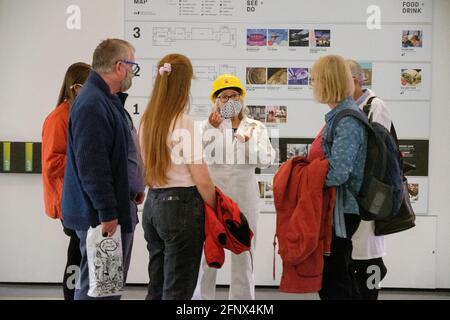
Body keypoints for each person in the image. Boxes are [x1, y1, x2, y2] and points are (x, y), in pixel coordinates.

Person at [61, 39, 143, 300]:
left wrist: (132, 186)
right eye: (133, 66)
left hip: (112, 211)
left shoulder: (104, 100)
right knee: (100, 291)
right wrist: (108, 213)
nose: (133, 72)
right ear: (120, 66)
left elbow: (114, 156)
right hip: (103, 218)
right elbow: (93, 167)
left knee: (105, 288)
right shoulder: (93, 104)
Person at [139, 53, 216, 300]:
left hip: (153, 207)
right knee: (178, 290)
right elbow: (201, 177)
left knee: (158, 285)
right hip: (181, 209)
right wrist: (217, 209)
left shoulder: (146, 121)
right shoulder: (184, 123)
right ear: (185, 85)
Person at [193, 74, 276, 300]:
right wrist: (210, 129)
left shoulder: (256, 127)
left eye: (234, 96)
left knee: (244, 255)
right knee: (207, 254)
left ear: (242, 99)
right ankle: (201, 301)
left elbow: (267, 160)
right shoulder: (205, 126)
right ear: (215, 101)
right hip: (213, 199)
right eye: (223, 96)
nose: (229, 100)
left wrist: (247, 143)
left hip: (244, 199)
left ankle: (242, 302)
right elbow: (194, 155)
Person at [309, 55, 368, 300]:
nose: (312, 84)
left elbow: (339, 172)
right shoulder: (341, 115)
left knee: (335, 280)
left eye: (315, 79)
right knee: (337, 275)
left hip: (341, 212)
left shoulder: (346, 120)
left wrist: (307, 180)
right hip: (336, 210)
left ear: (326, 82)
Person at [41, 62, 90, 300]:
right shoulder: (58, 118)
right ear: (76, 88)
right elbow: (52, 164)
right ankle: (71, 296)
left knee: (79, 253)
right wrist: (84, 163)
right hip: (68, 200)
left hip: (77, 198)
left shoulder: (77, 113)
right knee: (77, 254)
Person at [347, 59, 389, 300]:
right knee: (353, 264)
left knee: (370, 264)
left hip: (370, 197)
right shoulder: (348, 107)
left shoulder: (375, 106)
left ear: (355, 81)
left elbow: (379, 156)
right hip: (353, 199)